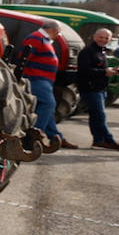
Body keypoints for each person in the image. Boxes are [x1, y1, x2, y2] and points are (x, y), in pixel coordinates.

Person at [22, 19, 76, 150]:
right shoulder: (36, 38)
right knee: (48, 104)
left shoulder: (44, 40)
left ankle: (56, 137)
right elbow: (24, 58)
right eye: (58, 33)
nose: (58, 36)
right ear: (53, 30)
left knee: (48, 111)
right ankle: (33, 136)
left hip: (44, 80)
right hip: (36, 79)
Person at [76, 28, 119, 150]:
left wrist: (112, 71)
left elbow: (99, 68)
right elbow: (84, 71)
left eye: (106, 38)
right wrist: (105, 72)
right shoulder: (87, 52)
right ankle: (109, 141)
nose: (103, 40)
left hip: (101, 88)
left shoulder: (101, 51)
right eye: (101, 37)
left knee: (96, 116)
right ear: (94, 37)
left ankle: (98, 141)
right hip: (91, 88)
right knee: (100, 116)